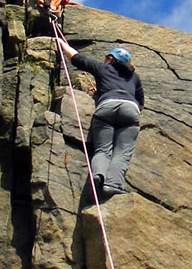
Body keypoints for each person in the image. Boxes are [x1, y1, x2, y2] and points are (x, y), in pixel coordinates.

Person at [56, 38, 144, 198]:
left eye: (106, 58)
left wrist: (60, 42)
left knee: (103, 149)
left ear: (111, 59)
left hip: (107, 107)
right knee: (122, 152)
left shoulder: (103, 68)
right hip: (130, 109)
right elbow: (140, 105)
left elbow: (77, 58)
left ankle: (98, 175)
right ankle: (112, 184)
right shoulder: (134, 77)